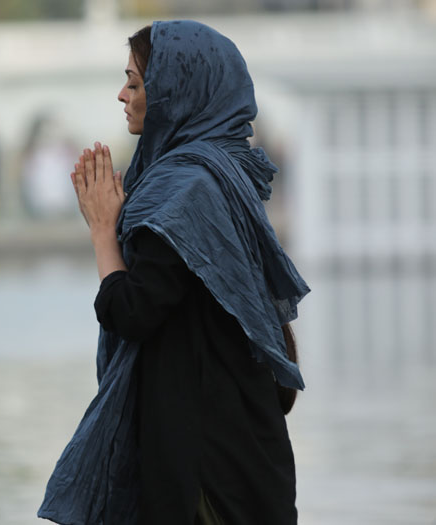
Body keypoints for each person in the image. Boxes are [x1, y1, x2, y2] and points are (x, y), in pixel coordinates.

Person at [38, 20, 310, 525]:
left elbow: (135, 312)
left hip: (206, 468)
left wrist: (102, 229)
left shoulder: (184, 191)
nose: (122, 95)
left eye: (136, 83)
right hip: (242, 446)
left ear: (174, 92)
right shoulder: (222, 172)